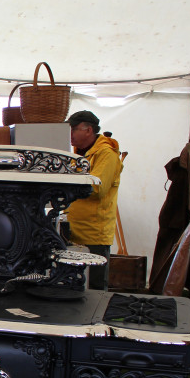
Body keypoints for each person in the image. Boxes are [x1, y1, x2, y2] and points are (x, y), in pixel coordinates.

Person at [65, 110, 123, 290]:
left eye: (73, 129)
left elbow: (97, 187)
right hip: (73, 230)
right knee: (73, 283)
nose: (70, 135)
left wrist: (65, 185)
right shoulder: (78, 154)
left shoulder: (106, 153)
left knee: (95, 287)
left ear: (88, 130)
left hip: (94, 235)